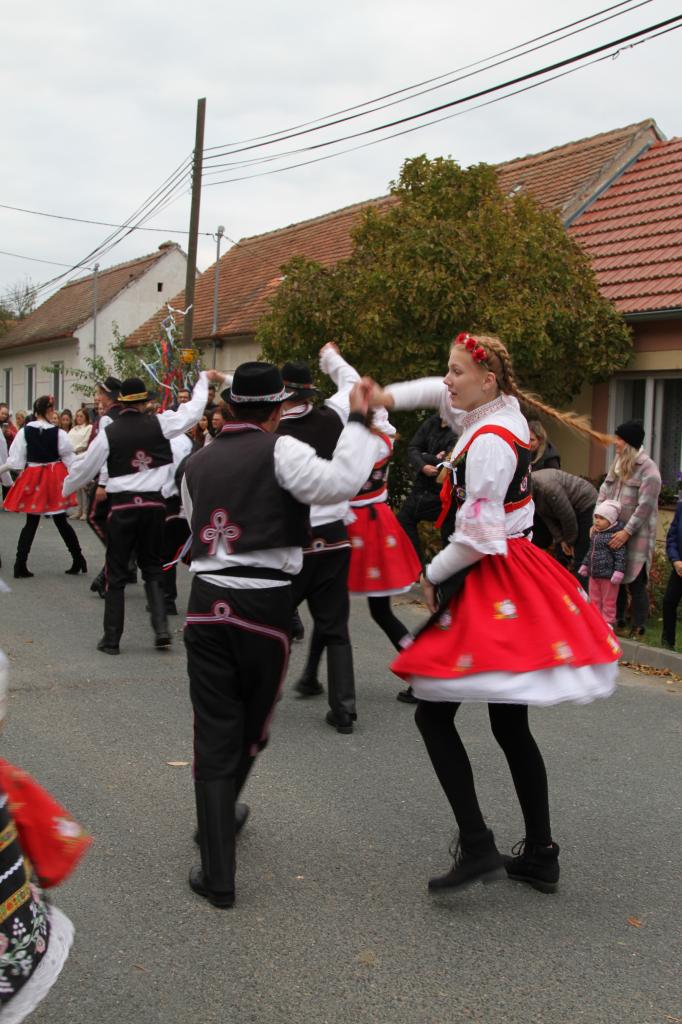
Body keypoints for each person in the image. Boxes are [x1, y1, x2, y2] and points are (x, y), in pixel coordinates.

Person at [369, 331, 620, 895]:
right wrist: (386, 396)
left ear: (487, 381)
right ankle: (541, 853)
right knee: (509, 723)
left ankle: (479, 845)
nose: (447, 381)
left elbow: (479, 535)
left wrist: (433, 574)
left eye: (457, 371)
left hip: (491, 573)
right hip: (514, 568)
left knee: (434, 716)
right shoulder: (498, 415)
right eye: (448, 370)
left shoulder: (488, 442)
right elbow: (436, 393)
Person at [182, 361, 377, 908]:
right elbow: (341, 483)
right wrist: (359, 422)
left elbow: (194, 525)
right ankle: (220, 829)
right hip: (264, 605)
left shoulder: (196, 462)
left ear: (229, 408)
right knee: (252, 727)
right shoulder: (281, 449)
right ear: (275, 408)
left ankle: (218, 852)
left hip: (206, 602)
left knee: (215, 730)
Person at [62, 371, 220, 654]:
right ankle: (161, 630)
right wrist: (202, 381)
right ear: (145, 402)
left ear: (121, 402)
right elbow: (193, 412)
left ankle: (112, 640)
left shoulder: (110, 433)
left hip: (123, 507)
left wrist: (66, 488)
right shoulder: (159, 423)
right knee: (152, 567)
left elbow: (85, 468)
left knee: (117, 573)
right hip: (154, 506)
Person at [277, 346, 379, 732]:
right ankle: (344, 709)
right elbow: (352, 383)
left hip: (294, 538)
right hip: (335, 535)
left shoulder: (275, 434)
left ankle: (262, 696)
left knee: (273, 620)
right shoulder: (334, 416)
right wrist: (332, 358)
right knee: (335, 625)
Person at [346, 410, 422, 702]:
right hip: (378, 522)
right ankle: (420, 671)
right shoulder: (383, 439)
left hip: (357, 525)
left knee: (331, 607)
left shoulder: (363, 443)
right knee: (379, 611)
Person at [0, 395, 86, 578]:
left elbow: (15, 461)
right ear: (48, 411)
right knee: (61, 520)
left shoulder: (24, 432)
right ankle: (78, 559)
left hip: (34, 476)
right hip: (54, 477)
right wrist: (84, 474)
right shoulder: (59, 433)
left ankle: (20, 564)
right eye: (52, 409)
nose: (53, 412)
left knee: (31, 522)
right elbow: (70, 460)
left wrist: (3, 469)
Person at [598, 420, 661, 637]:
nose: (615, 442)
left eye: (619, 439)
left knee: (636, 580)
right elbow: (604, 489)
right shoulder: (618, 464)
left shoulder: (649, 470)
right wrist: (598, 518)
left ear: (629, 443)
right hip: (614, 530)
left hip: (637, 535)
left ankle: (639, 626)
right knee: (616, 576)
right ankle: (619, 620)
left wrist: (627, 531)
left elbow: (645, 507)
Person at [396, 413, 457, 565]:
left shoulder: (458, 430)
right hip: (421, 488)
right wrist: (423, 464)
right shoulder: (432, 422)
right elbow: (413, 448)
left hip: (443, 494)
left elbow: (448, 462)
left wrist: (426, 456)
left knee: (449, 534)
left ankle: (446, 571)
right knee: (403, 519)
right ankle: (417, 564)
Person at [85, 377, 124, 597]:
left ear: (108, 395)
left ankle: (119, 561)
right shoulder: (125, 414)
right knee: (117, 524)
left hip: (111, 479)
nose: (98, 397)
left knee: (94, 517)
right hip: (126, 478)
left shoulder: (108, 418)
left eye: (100, 393)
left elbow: (108, 451)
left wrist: (102, 483)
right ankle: (121, 564)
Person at [531, 468, 598, 577]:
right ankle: (561, 584)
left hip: (585, 504)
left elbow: (567, 517)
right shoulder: (532, 495)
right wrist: (561, 540)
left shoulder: (548, 488)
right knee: (560, 555)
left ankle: (581, 586)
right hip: (567, 512)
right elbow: (548, 519)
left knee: (581, 555)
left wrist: (569, 542)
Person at [577, 500, 626, 627]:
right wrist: (585, 565)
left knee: (609, 601)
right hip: (593, 574)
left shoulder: (614, 537)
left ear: (611, 520)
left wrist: (619, 571)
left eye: (602, 518)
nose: (597, 521)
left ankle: (608, 622)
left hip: (608, 577)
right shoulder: (595, 534)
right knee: (594, 599)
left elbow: (620, 555)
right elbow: (590, 552)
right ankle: (595, 621)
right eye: (596, 517)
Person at [661, 498, 682, 650]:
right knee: (669, 602)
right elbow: (672, 537)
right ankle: (667, 642)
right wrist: (676, 560)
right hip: (679, 567)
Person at [68, 407, 93, 519]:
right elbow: (67, 441)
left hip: (82, 456)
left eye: (81, 416)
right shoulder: (73, 429)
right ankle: (79, 510)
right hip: (72, 459)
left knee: (84, 485)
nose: (79, 418)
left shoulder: (89, 427)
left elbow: (85, 442)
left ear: (86, 417)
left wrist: (74, 449)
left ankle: (85, 511)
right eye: (77, 416)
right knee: (76, 484)